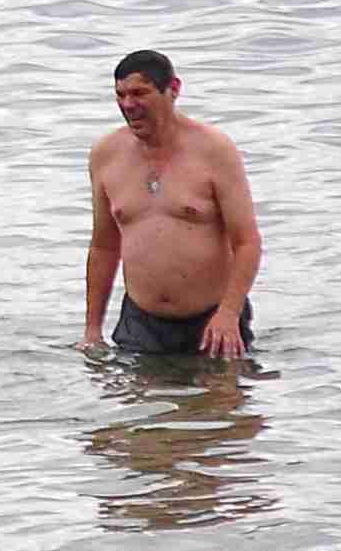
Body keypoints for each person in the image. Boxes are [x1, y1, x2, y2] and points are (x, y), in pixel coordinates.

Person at [82, 48, 262, 362]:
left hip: (212, 319)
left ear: (173, 89)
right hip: (141, 323)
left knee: (222, 408)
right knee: (137, 410)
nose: (128, 105)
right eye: (120, 95)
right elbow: (104, 247)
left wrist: (229, 313)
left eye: (140, 93)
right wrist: (92, 330)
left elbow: (247, 242)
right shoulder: (105, 155)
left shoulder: (214, 150)